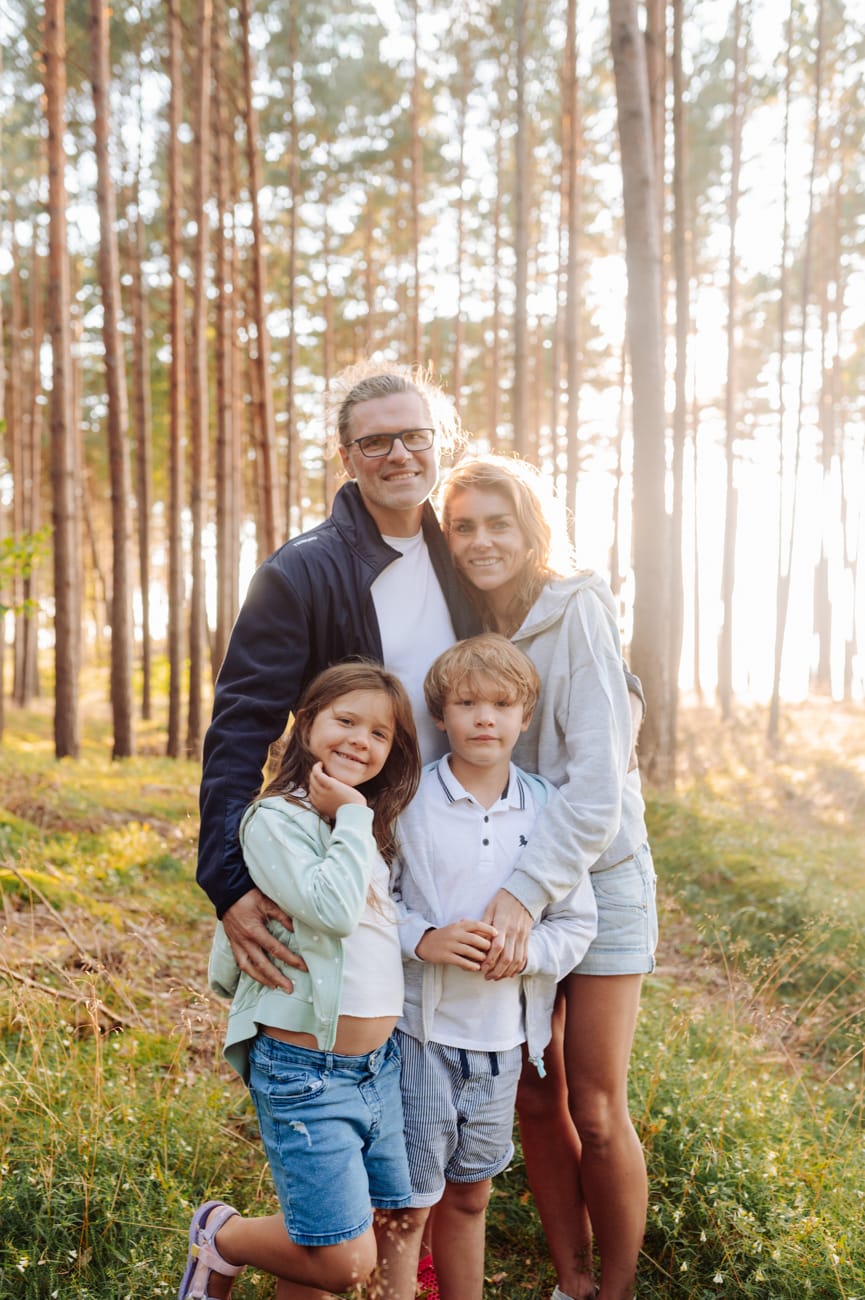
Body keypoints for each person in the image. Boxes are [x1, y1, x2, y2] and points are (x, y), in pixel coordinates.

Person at [439, 457, 658, 1300]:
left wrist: (523, 894)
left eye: (499, 523)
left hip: (593, 879)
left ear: (533, 529)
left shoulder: (578, 606)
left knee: (596, 1107)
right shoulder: (466, 615)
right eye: (463, 526)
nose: (481, 541)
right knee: (534, 1097)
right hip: (503, 882)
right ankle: (568, 1283)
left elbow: (598, 783)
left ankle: (616, 1289)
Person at [197, 363, 479, 994]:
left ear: (441, 443)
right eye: (375, 442)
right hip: (345, 845)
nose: (399, 454)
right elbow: (240, 729)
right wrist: (228, 882)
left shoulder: (472, 557)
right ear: (347, 458)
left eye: (416, 436)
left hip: (462, 838)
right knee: (341, 1040)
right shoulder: (299, 572)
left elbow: (548, 617)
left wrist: (623, 686)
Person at [180, 661, 422, 1300]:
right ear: (307, 722)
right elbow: (335, 912)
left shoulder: (363, 826)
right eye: (346, 720)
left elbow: (373, 933)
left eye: (380, 733)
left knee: (393, 1220)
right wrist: (351, 819)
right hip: (304, 1069)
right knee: (342, 1261)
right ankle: (219, 1238)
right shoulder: (277, 819)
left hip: (378, 1067)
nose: (360, 741)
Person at [383, 634, 598, 1300]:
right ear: (440, 715)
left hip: (503, 1044)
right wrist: (423, 940)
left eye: (502, 704)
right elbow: (371, 902)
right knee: (408, 1204)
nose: (484, 718)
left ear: (524, 718)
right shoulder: (411, 802)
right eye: (467, 703)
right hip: (421, 1036)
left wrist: (528, 951)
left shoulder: (544, 810)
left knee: (470, 1197)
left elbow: (576, 924)